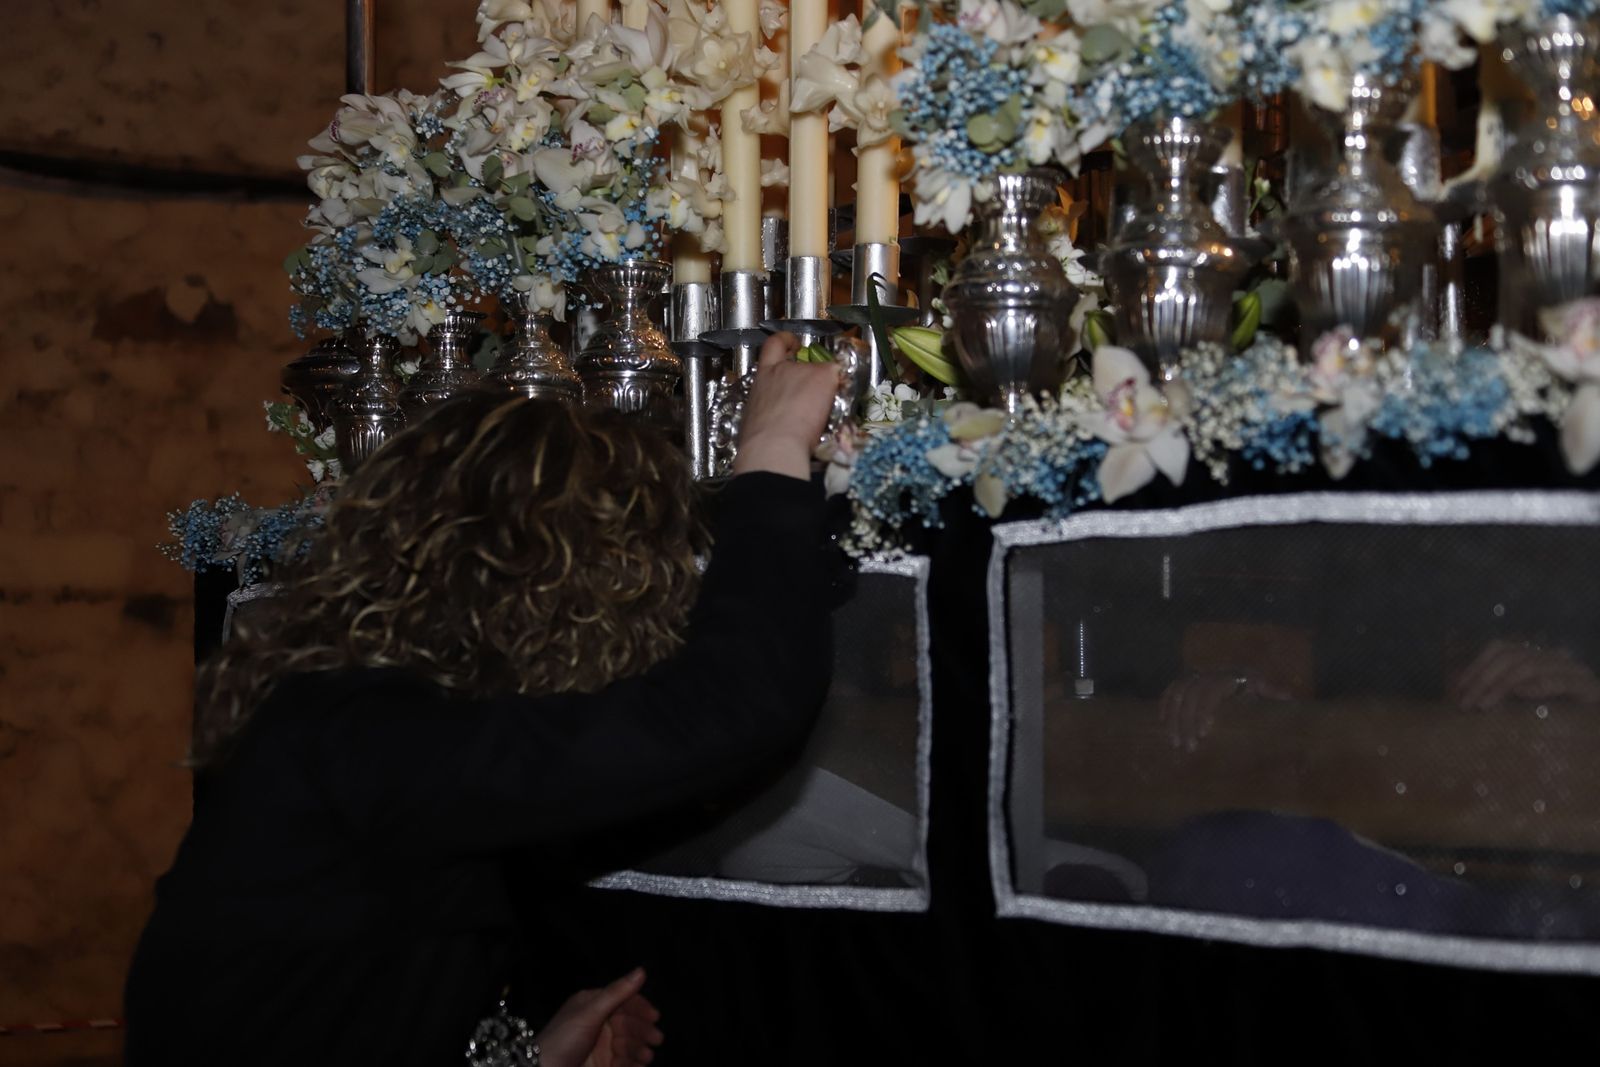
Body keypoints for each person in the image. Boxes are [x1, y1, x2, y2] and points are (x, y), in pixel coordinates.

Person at [124, 332, 843, 1065]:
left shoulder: (357, 719)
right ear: (569, 587)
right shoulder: (368, 736)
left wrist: (533, 1059)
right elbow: (731, 705)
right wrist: (772, 447)